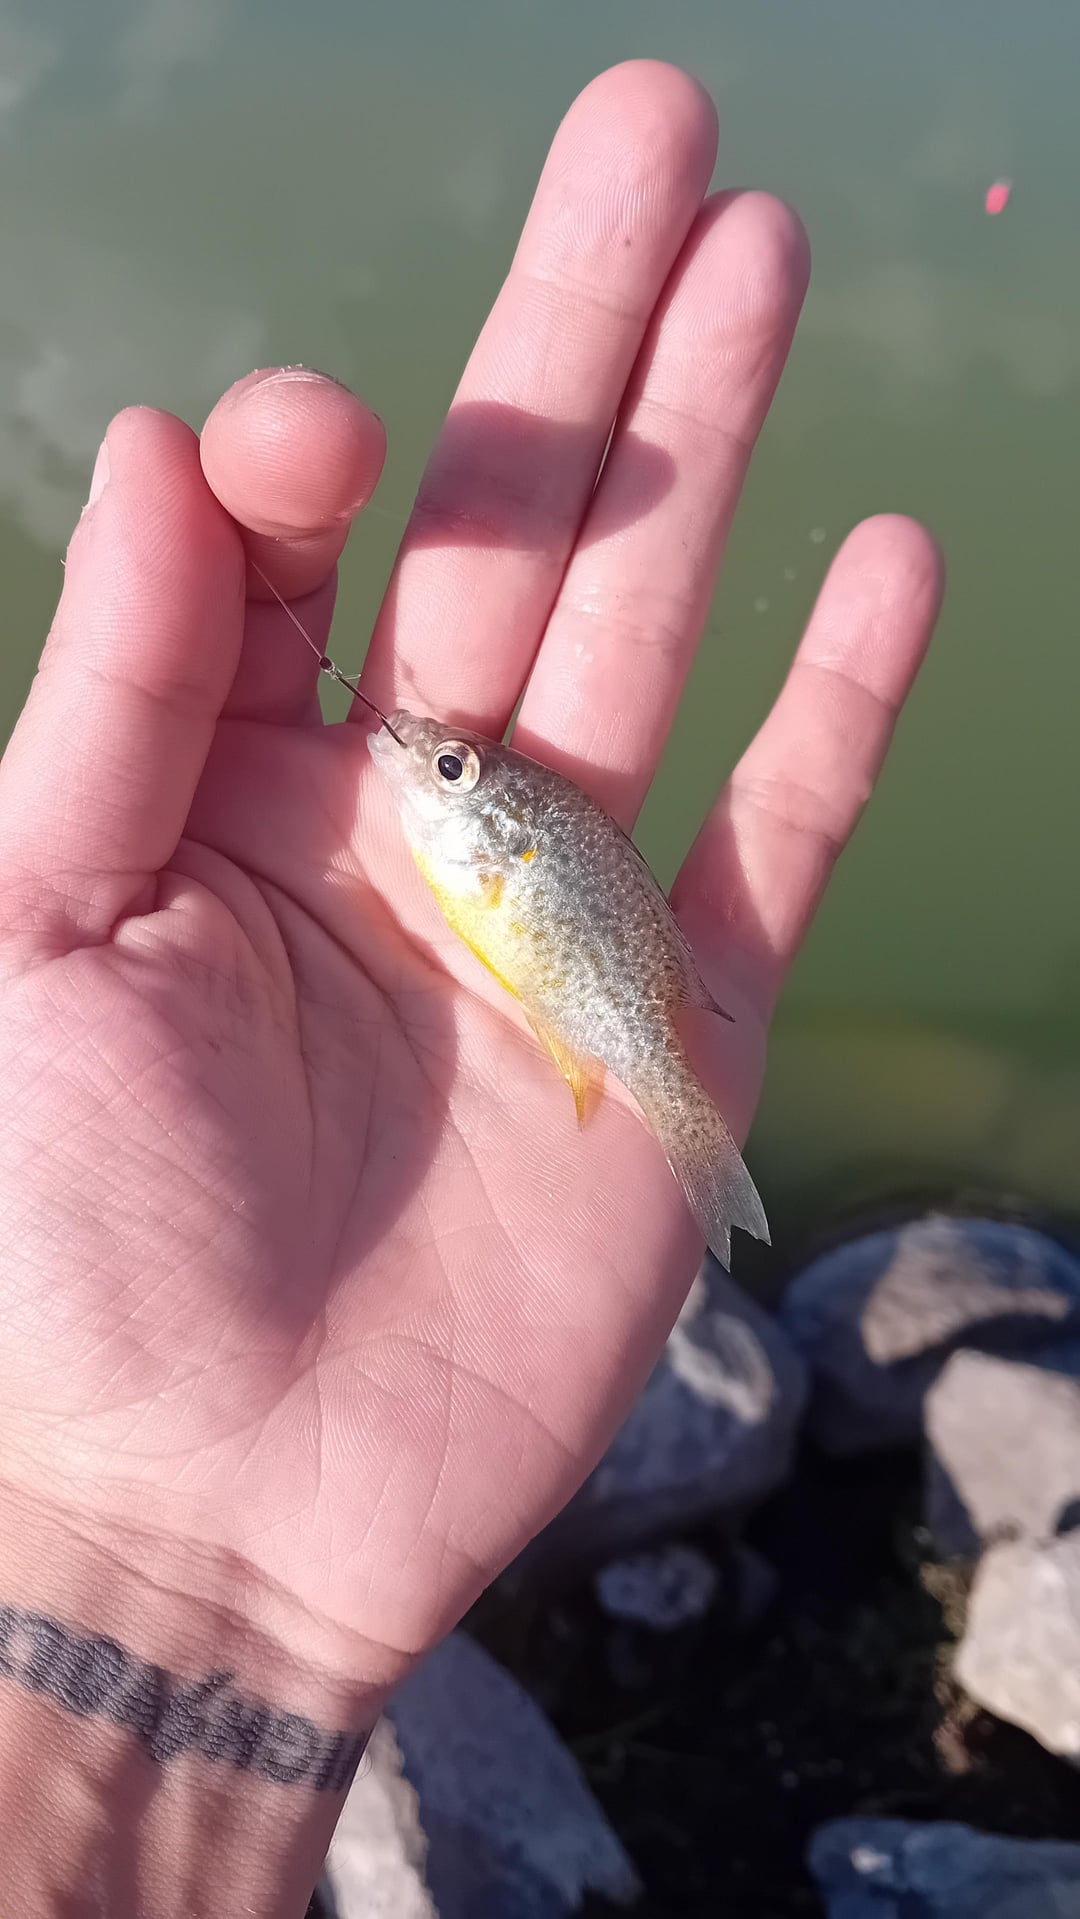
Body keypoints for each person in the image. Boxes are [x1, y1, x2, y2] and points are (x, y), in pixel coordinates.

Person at [0, 59, 941, 1916]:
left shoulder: (496, 835)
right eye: (441, 764)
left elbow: (525, 884)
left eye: (444, 769)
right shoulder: (471, 838)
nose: (420, 759)